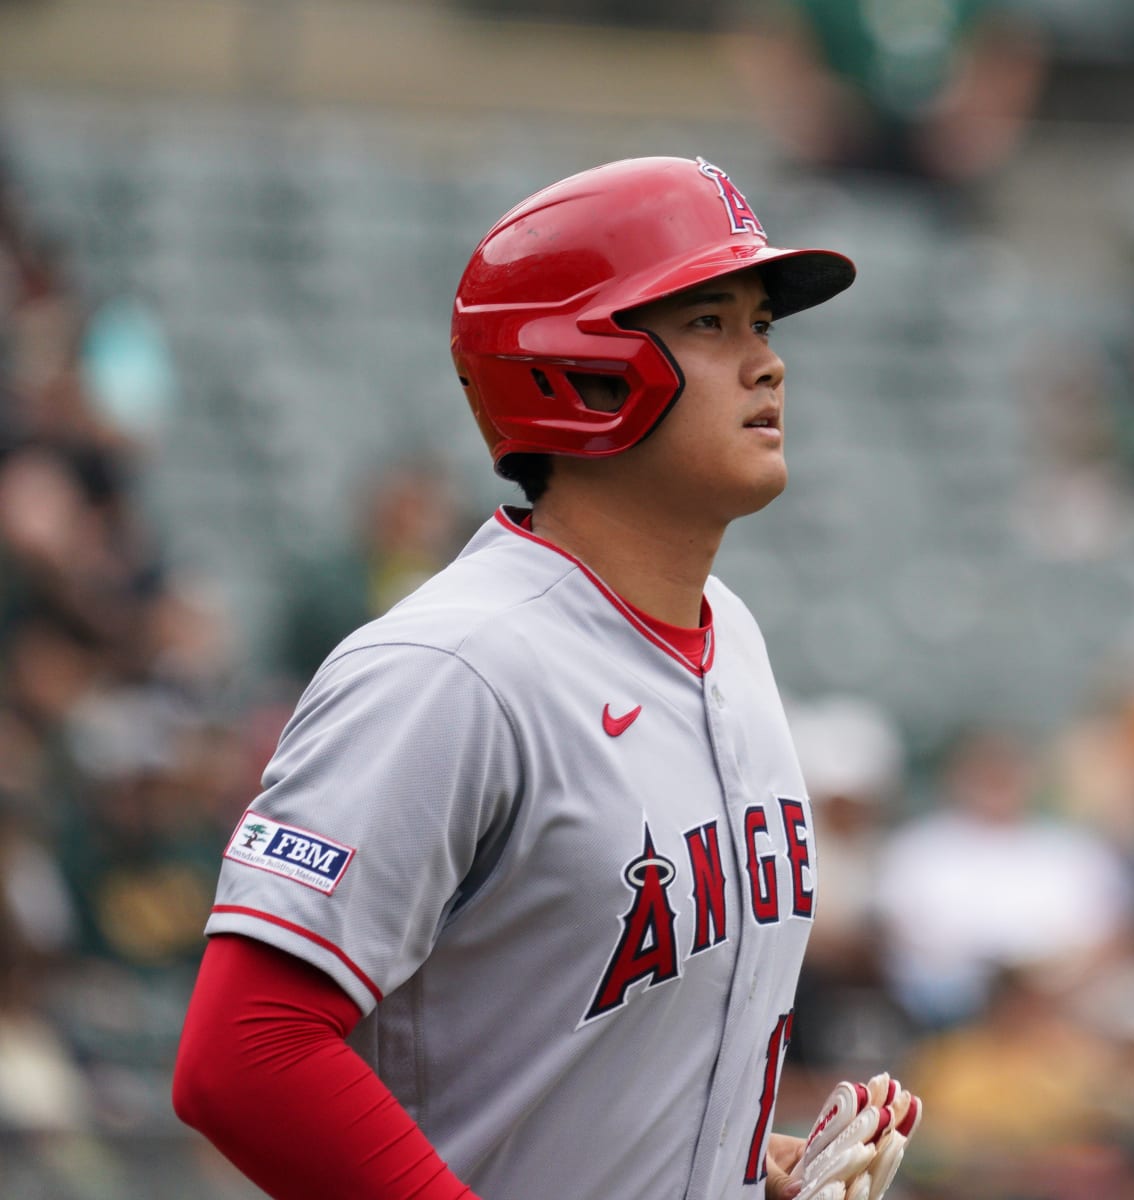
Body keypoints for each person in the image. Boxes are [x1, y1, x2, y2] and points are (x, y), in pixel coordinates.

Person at [172, 157, 861, 1199]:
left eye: (762, 323)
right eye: (712, 323)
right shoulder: (450, 668)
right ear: (581, 367)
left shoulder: (735, 637)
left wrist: (720, 1159)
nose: (767, 364)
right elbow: (246, 1055)